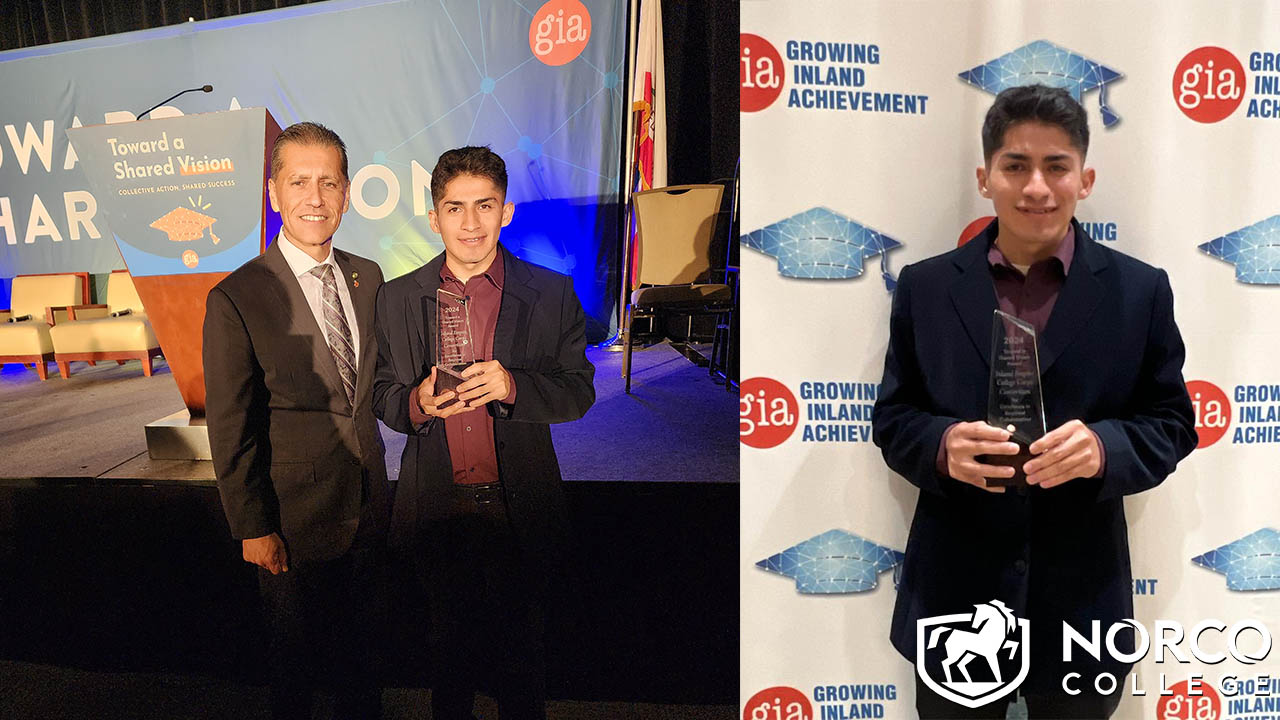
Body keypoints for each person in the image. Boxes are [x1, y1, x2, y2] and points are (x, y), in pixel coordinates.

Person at [871, 84, 1197, 719]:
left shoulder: (1140, 291)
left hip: (1082, 604)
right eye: (1016, 165)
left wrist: (1105, 447)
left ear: (1085, 179)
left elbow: (1173, 422)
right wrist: (941, 445)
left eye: (1057, 166)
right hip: (954, 597)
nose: (1037, 187)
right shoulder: (925, 287)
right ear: (985, 178)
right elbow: (893, 416)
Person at [372, 145, 595, 720]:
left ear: (507, 211)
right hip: (436, 508)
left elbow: (578, 391)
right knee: (447, 670)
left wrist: (514, 386)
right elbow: (382, 394)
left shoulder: (552, 293)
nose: (470, 223)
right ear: (434, 217)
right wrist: (417, 402)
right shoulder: (397, 297)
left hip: (519, 506)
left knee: (523, 669)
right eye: (455, 208)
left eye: (485, 205)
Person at [204, 121, 389, 720]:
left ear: (347, 193)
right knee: (296, 674)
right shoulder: (237, 297)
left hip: (370, 508)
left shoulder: (368, 276)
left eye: (329, 182)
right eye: (299, 182)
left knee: (364, 665)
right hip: (293, 521)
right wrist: (252, 526)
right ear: (273, 192)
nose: (315, 197)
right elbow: (231, 426)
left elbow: (372, 387)